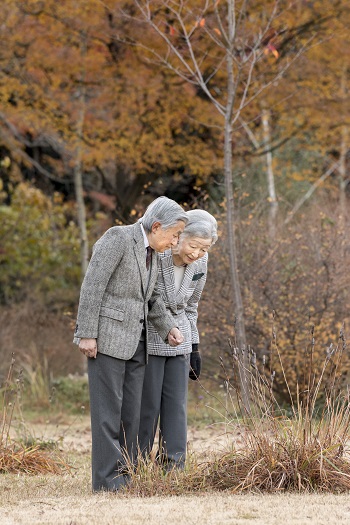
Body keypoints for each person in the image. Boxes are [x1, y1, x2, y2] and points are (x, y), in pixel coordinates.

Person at [73, 196, 188, 492]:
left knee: (131, 416)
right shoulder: (118, 238)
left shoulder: (154, 254)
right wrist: (87, 333)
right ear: (158, 226)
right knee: (108, 414)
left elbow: (151, 299)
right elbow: (93, 286)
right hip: (107, 341)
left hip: (138, 344)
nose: (175, 242)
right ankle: (107, 481)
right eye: (174, 235)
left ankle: (126, 477)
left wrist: (169, 328)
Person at [139, 209, 218, 470]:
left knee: (176, 406)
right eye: (193, 245)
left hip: (181, 341)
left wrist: (194, 345)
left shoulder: (200, 265)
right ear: (179, 236)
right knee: (146, 407)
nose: (196, 254)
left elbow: (192, 306)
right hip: (150, 336)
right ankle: (135, 465)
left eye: (203, 249)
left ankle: (174, 467)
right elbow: (147, 299)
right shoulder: (156, 253)